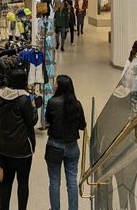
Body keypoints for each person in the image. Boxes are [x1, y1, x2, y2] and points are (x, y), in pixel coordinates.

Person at [0, 71, 38, 210]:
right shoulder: (24, 99)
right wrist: (33, 106)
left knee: (6, 183)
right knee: (23, 183)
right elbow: (31, 121)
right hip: (23, 149)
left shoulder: (0, 97)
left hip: (5, 148)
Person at [45, 75, 87, 210]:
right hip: (72, 146)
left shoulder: (52, 102)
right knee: (72, 182)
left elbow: (48, 120)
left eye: (56, 83)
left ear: (60, 86)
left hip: (54, 146)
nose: (54, 85)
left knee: (54, 182)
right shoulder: (77, 104)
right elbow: (82, 125)